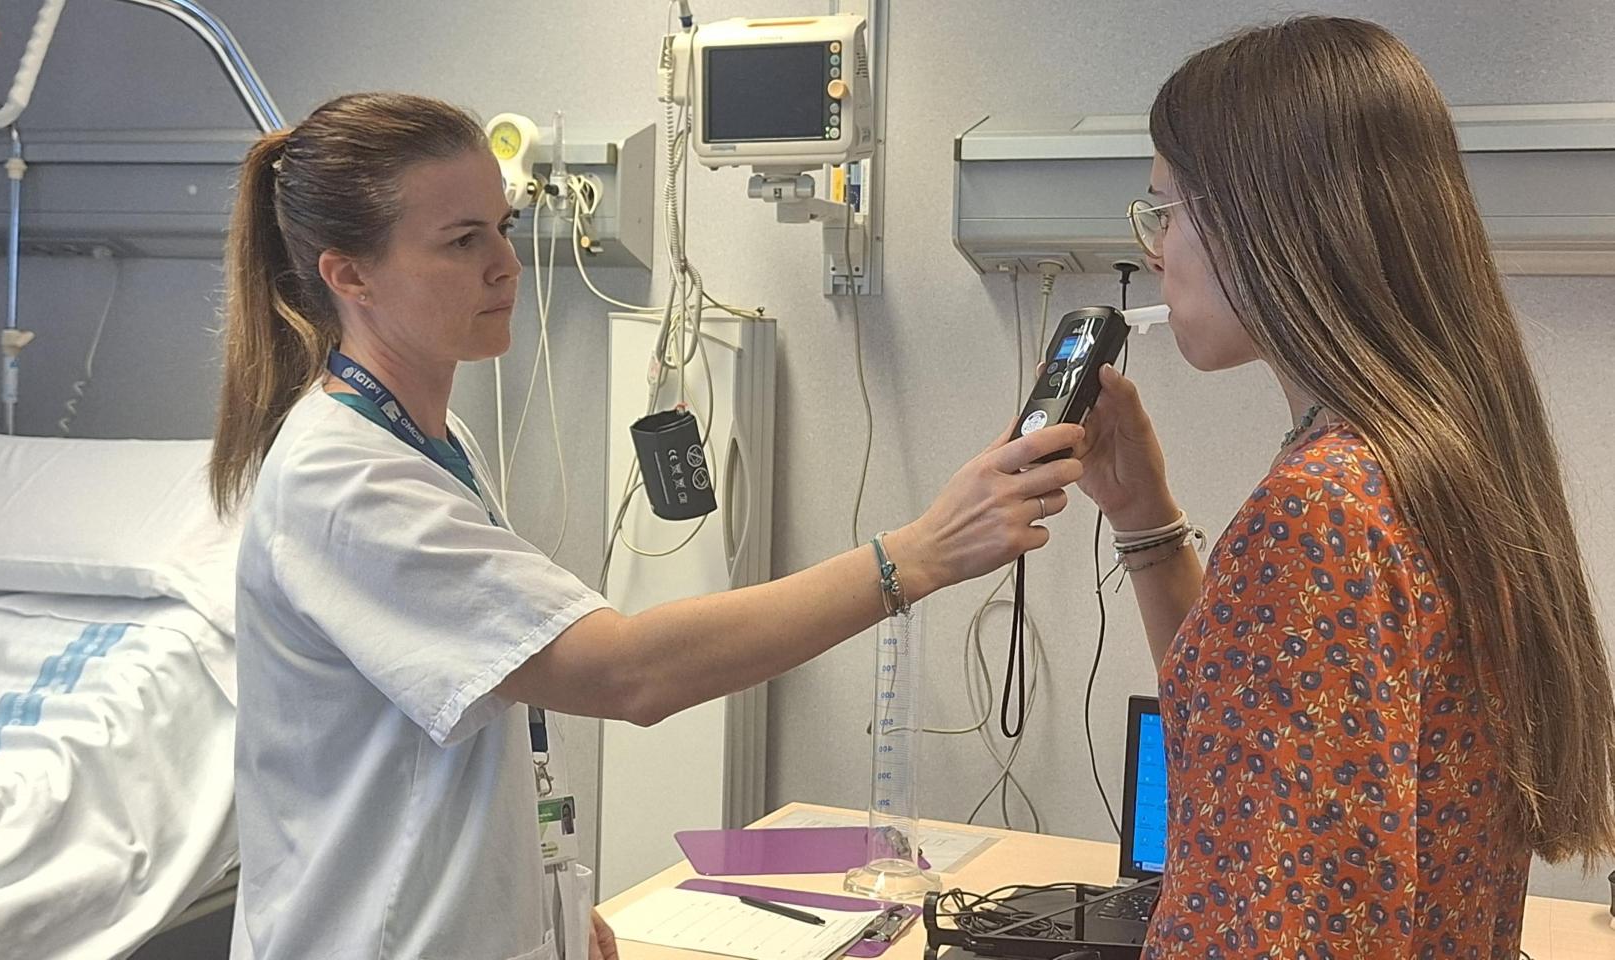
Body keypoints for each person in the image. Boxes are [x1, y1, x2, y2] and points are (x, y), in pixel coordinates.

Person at [206, 92, 1084, 960]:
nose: (506, 266)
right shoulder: (345, 479)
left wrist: (548, 895)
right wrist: (916, 556)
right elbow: (625, 673)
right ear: (349, 275)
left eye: (505, 227)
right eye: (462, 241)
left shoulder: (430, 440)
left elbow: (466, 724)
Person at [1074, 16, 1615, 958]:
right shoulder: (1436, 464)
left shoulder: (1322, 512)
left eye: (1167, 211)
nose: (1155, 251)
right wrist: (1144, 518)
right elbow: (1244, 738)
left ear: (1265, 221)